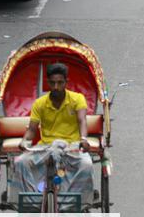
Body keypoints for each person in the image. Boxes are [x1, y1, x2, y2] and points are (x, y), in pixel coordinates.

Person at [11, 64, 94, 204]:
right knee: (21, 162)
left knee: (86, 164)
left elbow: (82, 121)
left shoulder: (77, 99)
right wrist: (24, 141)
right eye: (53, 83)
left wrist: (84, 139)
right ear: (48, 83)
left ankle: (77, 203)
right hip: (46, 147)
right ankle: (31, 202)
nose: (56, 87)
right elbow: (32, 129)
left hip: (71, 147)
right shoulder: (39, 103)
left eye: (60, 83)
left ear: (66, 82)